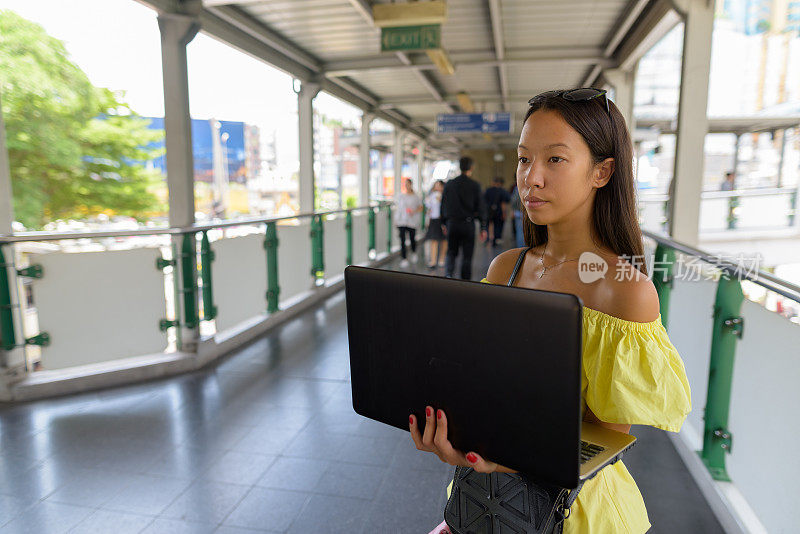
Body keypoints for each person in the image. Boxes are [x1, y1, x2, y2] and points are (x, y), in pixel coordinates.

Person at [412, 88, 691, 534]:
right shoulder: (507, 267)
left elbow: (604, 439)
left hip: (571, 513)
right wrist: (456, 429)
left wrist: (509, 459)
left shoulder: (624, 290)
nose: (532, 178)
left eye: (555, 160)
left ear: (602, 171)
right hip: (484, 500)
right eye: (524, 159)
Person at [440, 157, 488, 279]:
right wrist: (483, 227)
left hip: (452, 223)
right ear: (471, 167)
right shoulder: (475, 185)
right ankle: (465, 281)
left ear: (459, 167)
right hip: (468, 224)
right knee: (467, 255)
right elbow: (481, 207)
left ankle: (448, 275)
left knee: (451, 252)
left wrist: (444, 223)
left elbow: (443, 203)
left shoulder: (450, 184)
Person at [394, 178, 422, 268]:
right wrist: (397, 220)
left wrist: (414, 211)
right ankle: (404, 258)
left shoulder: (416, 197)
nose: (406, 186)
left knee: (412, 238)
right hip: (402, 221)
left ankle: (413, 252)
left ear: (411, 185)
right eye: (405, 184)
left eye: (408, 184)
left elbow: (421, 207)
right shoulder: (401, 196)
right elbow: (398, 209)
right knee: (402, 240)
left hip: (412, 221)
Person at [423, 180, 447, 269]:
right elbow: (428, 208)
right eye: (436, 185)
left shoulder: (445, 196)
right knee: (434, 240)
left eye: (439, 186)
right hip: (434, 219)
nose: (437, 188)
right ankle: (433, 261)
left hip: (442, 220)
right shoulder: (432, 196)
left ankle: (442, 259)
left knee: (444, 240)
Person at [484, 177, 511, 247]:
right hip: (499, 212)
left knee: (487, 225)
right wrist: (504, 213)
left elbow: (483, 201)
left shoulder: (488, 190)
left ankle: (487, 239)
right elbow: (504, 203)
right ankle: (496, 240)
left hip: (488, 211)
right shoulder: (503, 191)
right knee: (498, 226)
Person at [509, 182, 525, 248]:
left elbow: (513, 200)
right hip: (527, 213)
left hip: (519, 213)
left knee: (520, 232)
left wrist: (513, 210)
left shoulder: (517, 188)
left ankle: (521, 249)